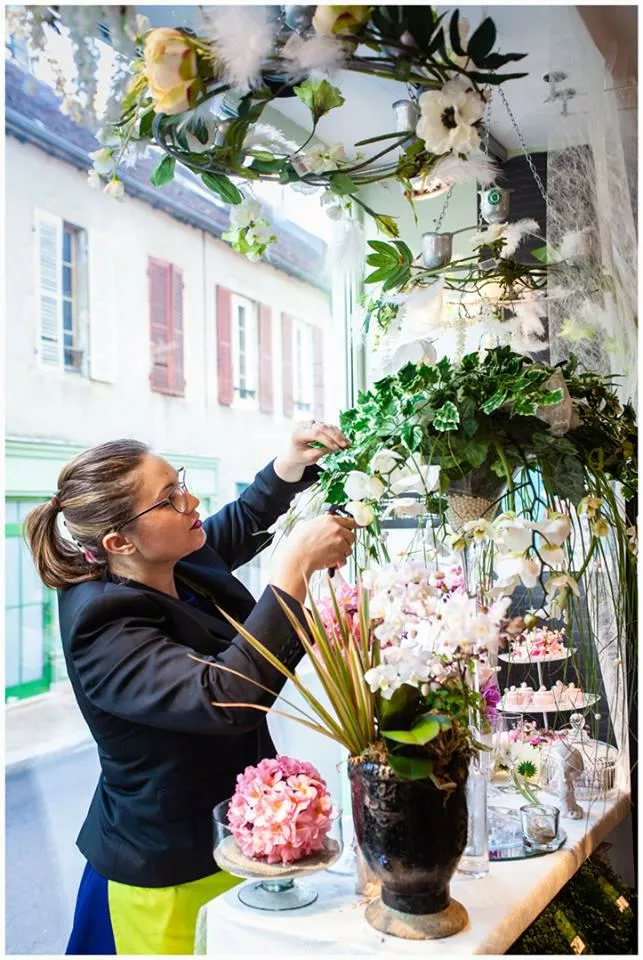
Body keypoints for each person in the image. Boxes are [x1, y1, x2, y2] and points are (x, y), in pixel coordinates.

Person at [24, 422, 356, 956]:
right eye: (170, 499)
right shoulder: (101, 625)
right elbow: (224, 697)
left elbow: (240, 521)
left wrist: (289, 464)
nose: (190, 500)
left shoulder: (173, 556)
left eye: (178, 481)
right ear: (118, 541)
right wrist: (292, 569)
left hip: (236, 837)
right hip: (167, 868)